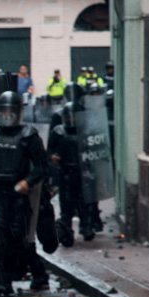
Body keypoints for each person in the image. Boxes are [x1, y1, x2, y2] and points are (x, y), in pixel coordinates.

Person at [0, 91, 47, 297]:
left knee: (18, 241)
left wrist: (28, 181)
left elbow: (42, 166)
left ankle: (35, 275)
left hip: (17, 193)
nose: (6, 115)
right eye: (3, 111)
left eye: (10, 111)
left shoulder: (28, 135)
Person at [49, 102, 102, 244]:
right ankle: (66, 230)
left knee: (85, 203)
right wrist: (52, 157)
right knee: (66, 204)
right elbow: (49, 150)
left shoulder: (88, 132)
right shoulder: (58, 132)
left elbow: (99, 152)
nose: (71, 120)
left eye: (75, 117)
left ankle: (87, 226)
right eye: (68, 117)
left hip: (84, 173)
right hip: (66, 173)